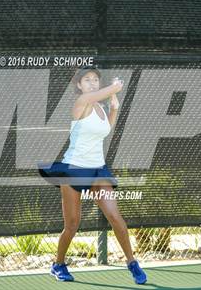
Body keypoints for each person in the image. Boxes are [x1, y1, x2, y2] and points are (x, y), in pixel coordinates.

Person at [38, 66, 147, 284]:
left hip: (98, 170)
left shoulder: (99, 107)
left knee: (116, 218)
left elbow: (106, 129)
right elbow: (108, 90)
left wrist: (114, 108)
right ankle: (58, 264)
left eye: (95, 80)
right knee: (72, 224)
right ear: (79, 86)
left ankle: (132, 262)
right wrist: (115, 87)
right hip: (74, 170)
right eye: (87, 80)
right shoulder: (81, 103)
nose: (92, 83)